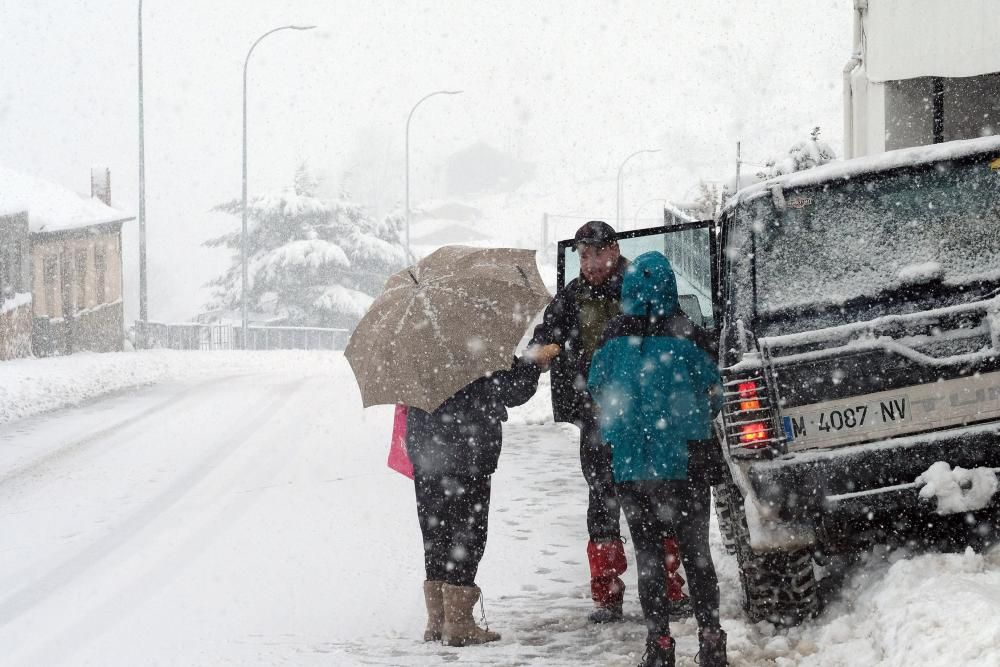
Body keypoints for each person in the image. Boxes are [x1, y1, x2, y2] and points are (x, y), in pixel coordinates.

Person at [528, 220, 691, 623]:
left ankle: (670, 588)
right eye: (582, 256)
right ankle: (606, 592)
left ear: (613, 250)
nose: (589, 264)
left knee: (657, 498)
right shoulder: (574, 295)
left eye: (596, 254)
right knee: (602, 499)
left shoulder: (642, 282)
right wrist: (541, 350)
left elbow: (676, 330)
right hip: (596, 416)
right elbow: (546, 333)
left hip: (646, 417)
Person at [587, 251, 728, 667]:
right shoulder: (689, 334)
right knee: (697, 556)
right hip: (685, 465)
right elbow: (714, 390)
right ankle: (712, 641)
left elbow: (597, 391)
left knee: (650, 558)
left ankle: (660, 646)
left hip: (633, 468)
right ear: (669, 286)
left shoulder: (612, 340)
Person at [406, 356, 541, 647]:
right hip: (469, 450)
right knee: (467, 532)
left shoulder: (416, 340)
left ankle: (438, 621)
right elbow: (513, 389)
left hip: (426, 449)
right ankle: (459, 623)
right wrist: (533, 366)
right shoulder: (478, 332)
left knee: (435, 531)